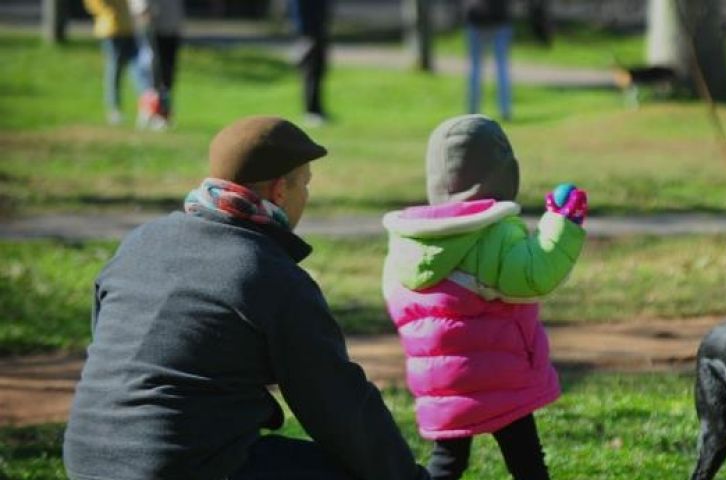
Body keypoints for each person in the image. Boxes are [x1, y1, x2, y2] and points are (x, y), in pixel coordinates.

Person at [63, 116, 431, 480]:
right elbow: (337, 404)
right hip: (181, 466)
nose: (306, 195)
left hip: (85, 459)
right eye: (305, 183)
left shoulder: (140, 241)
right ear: (279, 191)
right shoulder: (270, 273)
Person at [381, 114, 589, 480]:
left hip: (440, 381)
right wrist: (563, 223)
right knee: (526, 460)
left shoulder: (410, 240)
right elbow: (533, 275)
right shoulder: (489, 233)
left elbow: (400, 304)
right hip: (499, 373)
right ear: (503, 173)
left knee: (447, 462)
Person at [83, 0, 152, 125]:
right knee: (115, 70)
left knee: (138, 70)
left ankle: (147, 106)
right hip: (111, 29)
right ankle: (114, 109)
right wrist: (109, 12)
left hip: (129, 28)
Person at [130, 0, 185, 129]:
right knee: (152, 72)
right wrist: (142, 11)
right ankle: (150, 111)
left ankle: (163, 112)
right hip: (151, 26)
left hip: (171, 27)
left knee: (167, 75)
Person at [464, 0, 514, 121]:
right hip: (497, 20)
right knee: (501, 70)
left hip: (481, 21)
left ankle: (473, 111)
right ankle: (505, 111)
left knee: (477, 70)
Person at [288, 0, 333, 126]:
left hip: (318, 31)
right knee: (311, 70)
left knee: (319, 70)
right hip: (308, 34)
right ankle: (311, 111)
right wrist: (304, 34)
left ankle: (317, 109)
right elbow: (298, 10)